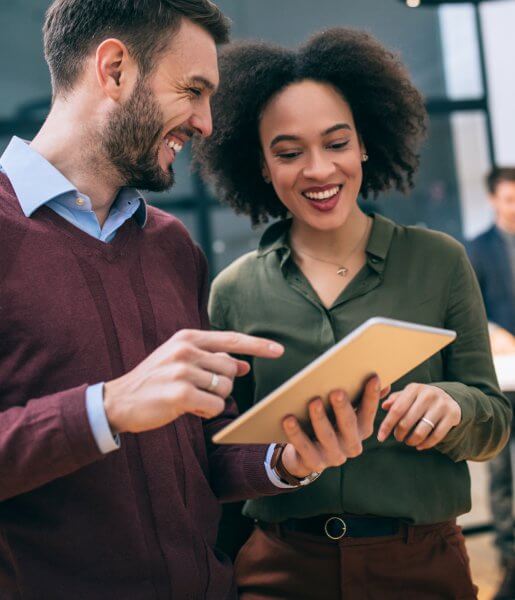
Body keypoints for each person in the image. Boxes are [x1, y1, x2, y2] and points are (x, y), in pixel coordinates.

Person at [0, 3, 384, 598]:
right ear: (115, 70)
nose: (206, 123)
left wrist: (286, 460)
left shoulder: (171, 245)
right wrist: (107, 407)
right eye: (193, 90)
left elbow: (207, 446)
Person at [193, 29, 512, 599]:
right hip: (279, 568)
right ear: (262, 165)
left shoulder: (438, 261)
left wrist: (453, 406)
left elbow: (494, 421)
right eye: (289, 153)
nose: (318, 170)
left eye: (337, 143)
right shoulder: (234, 291)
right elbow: (219, 458)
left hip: (421, 567)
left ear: (364, 143)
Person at [468, 167, 515, 600]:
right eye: (509, 199)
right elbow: (469, 311)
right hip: (503, 378)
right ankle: (508, 561)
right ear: (493, 201)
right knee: (502, 474)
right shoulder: (476, 250)